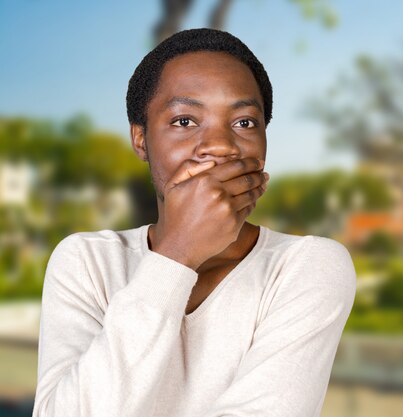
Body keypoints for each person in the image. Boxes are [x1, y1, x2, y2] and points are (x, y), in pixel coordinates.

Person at [32, 28, 356, 417]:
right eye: (184, 121)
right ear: (140, 140)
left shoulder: (307, 266)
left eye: (244, 123)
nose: (220, 145)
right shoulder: (87, 262)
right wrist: (177, 253)